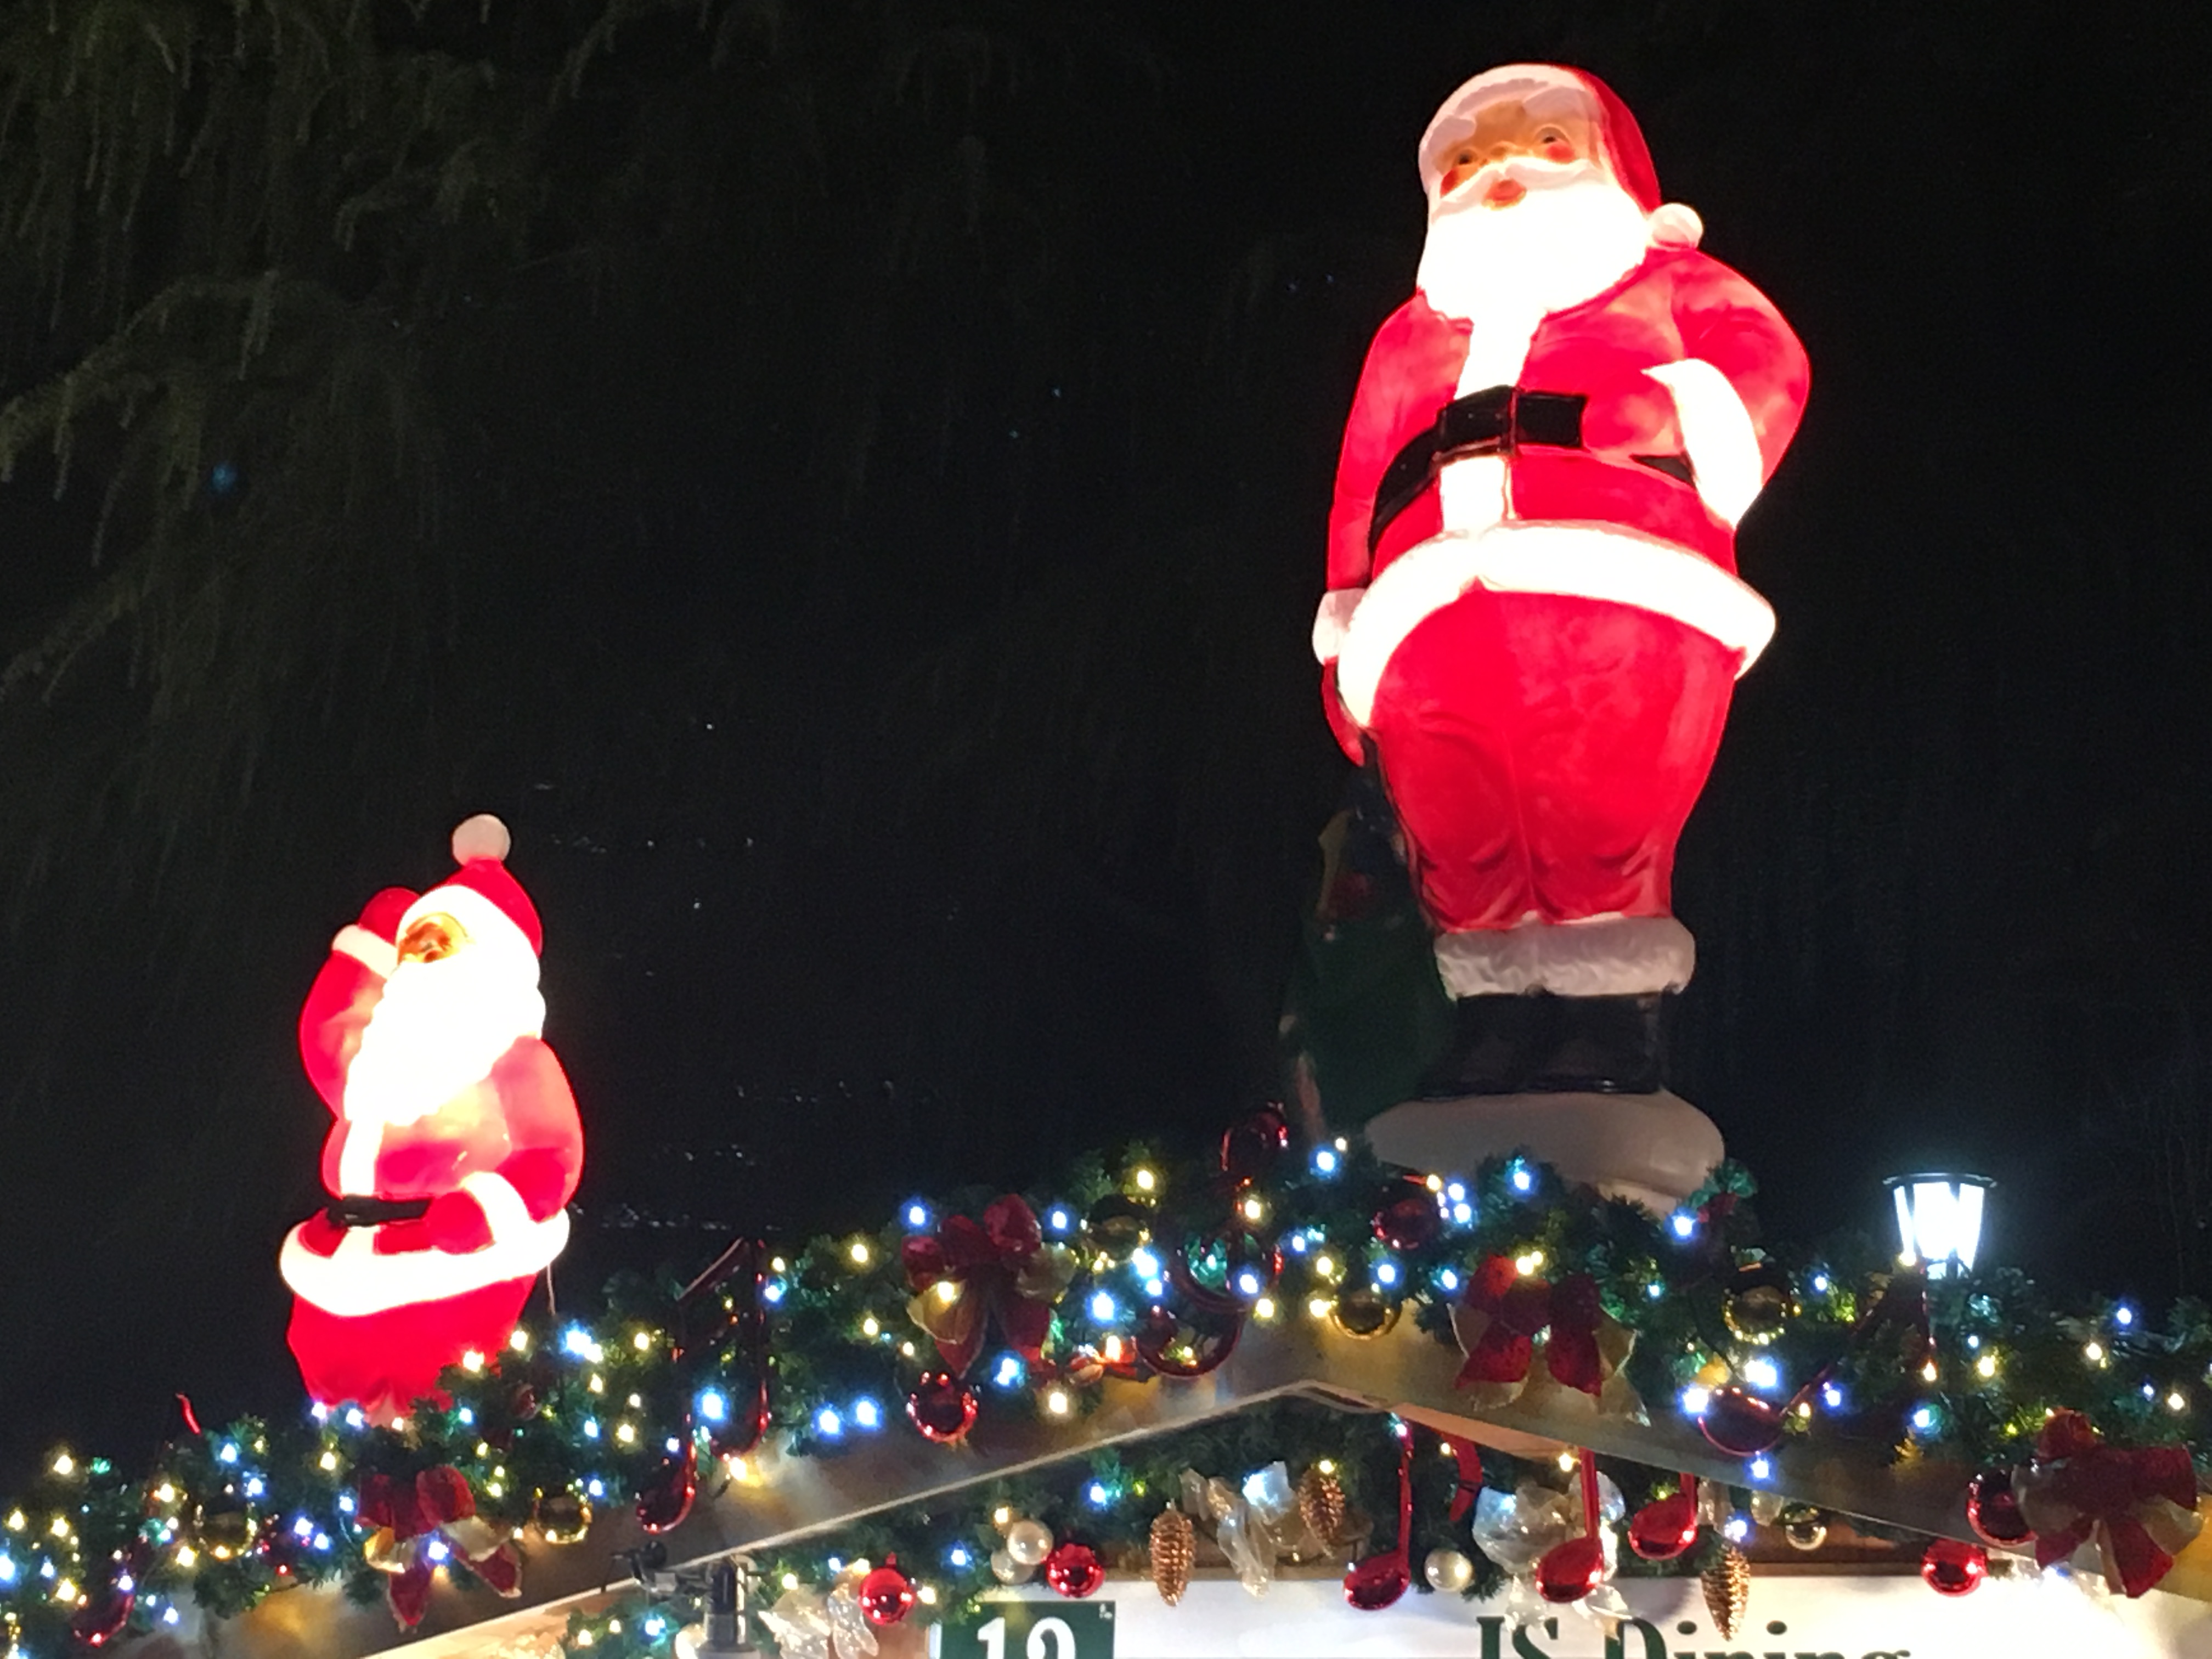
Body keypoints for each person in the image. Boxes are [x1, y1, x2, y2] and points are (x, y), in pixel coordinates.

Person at [1312, 64, 1808, 1088]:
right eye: (1466, 157)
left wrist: (1676, 411)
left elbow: (1769, 364)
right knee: (1456, 825)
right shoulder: (1408, 338)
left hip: (1618, 594)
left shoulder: (1667, 283)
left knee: (1602, 808)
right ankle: (1492, 1021)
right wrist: (1343, 618)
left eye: (1542, 144)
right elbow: (1359, 483)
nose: (1499, 170)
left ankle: (1609, 1017)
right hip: (1423, 620)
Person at [278, 815, 583, 1419]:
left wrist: (482, 1212)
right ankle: (349, 1452)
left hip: (452, 1265)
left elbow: (553, 1155)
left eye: (442, 951)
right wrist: (366, 948)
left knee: (441, 1395)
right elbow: (327, 1033)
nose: (424, 968)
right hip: (345, 1249)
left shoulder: (514, 1059)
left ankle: (438, 1455)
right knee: (336, 1388)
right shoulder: (377, 1055)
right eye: (416, 951)